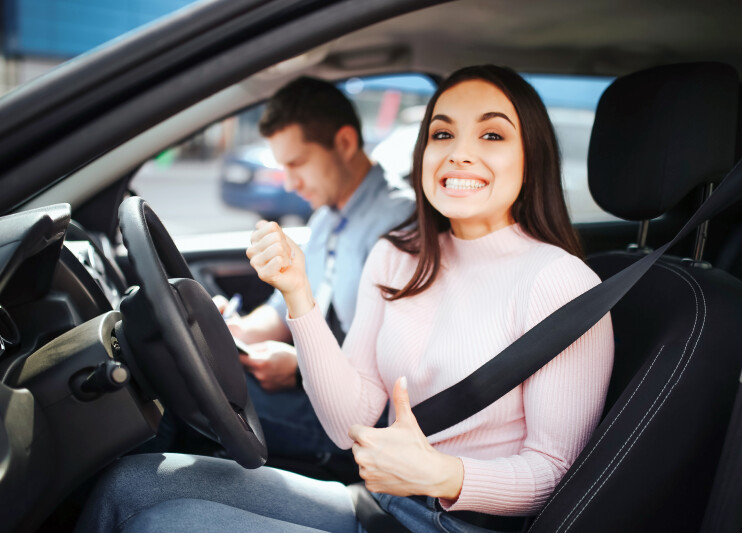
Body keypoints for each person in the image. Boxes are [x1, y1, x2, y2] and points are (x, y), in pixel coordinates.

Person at [78, 65, 614, 533]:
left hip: (459, 524)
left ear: (532, 156)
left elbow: (556, 472)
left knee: (161, 525)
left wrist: (444, 475)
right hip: (379, 506)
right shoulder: (398, 255)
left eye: (493, 136)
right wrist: (298, 296)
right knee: (132, 484)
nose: (460, 154)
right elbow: (347, 424)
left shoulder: (560, 283)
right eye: (443, 133)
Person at [218, 76, 415, 459]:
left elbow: (395, 363)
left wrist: (298, 370)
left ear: (343, 143)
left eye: (298, 163)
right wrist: (232, 332)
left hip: (359, 426)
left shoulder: (400, 225)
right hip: (313, 393)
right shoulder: (326, 216)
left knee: (189, 403)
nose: (290, 183)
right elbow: (282, 309)